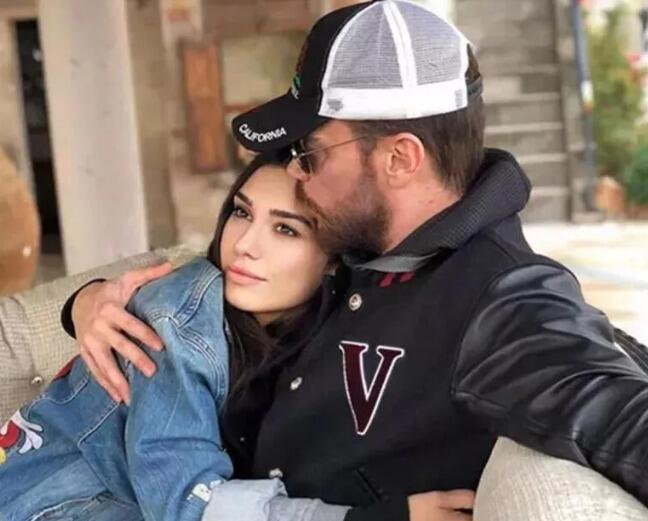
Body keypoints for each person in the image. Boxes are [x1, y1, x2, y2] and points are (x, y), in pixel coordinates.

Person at [58, 2, 648, 521]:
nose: (295, 171)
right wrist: (88, 303)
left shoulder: (498, 299)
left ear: (399, 159)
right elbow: (204, 284)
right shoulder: (355, 244)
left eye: (311, 152)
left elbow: (613, 409)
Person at [5, 157, 464, 521]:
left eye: (285, 229)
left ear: (333, 259)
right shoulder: (178, 320)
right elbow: (187, 504)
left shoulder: (322, 333)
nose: (245, 244)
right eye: (242, 213)